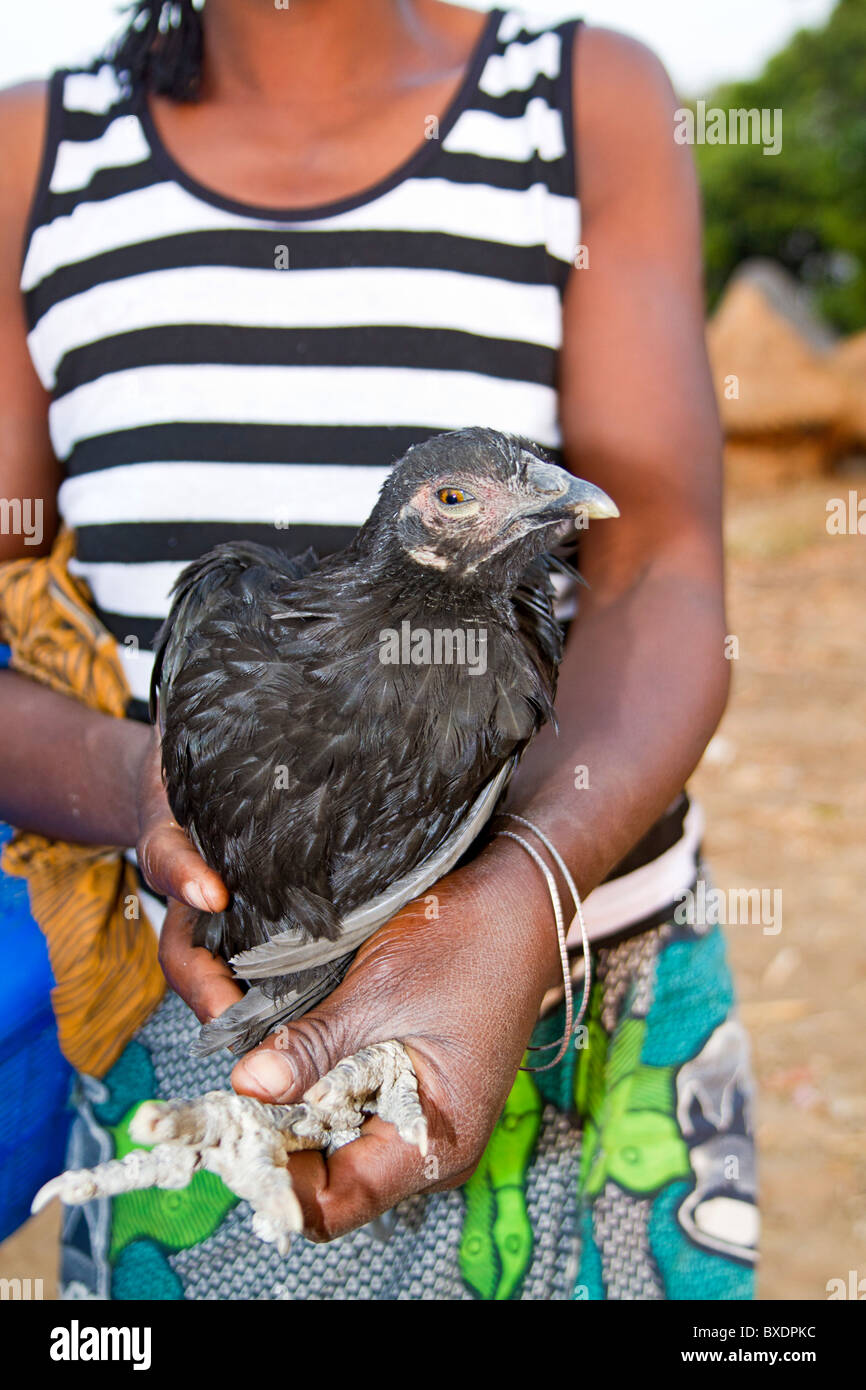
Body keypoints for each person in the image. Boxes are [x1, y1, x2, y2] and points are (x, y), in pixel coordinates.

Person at [0, 0, 757, 1300]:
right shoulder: (30, 150)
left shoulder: (581, 98)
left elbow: (669, 570)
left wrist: (517, 894)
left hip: (574, 971)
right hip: (213, 991)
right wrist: (142, 790)